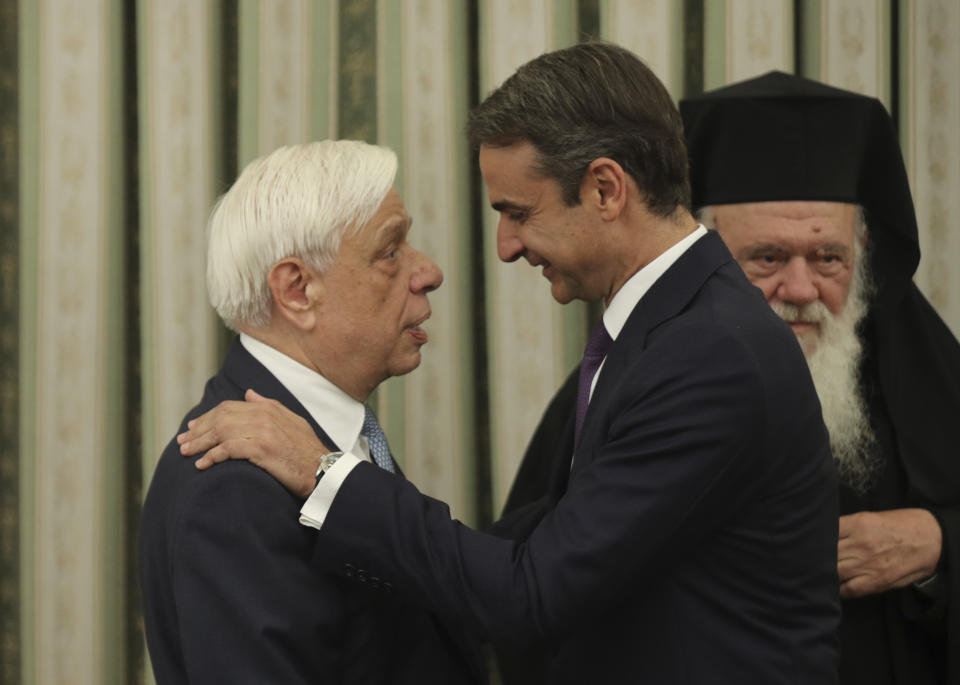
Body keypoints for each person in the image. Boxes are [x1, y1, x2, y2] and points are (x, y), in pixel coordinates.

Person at [177, 44, 840, 683]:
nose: (505, 246)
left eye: (518, 213)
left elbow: (533, 591)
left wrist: (326, 474)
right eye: (390, 251)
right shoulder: (665, 328)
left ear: (606, 189)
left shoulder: (709, 352)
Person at [138, 140, 485, 684]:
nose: (429, 271)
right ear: (297, 290)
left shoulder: (323, 438)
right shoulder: (233, 491)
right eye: (390, 251)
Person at [681, 71, 960, 685]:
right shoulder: (644, 373)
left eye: (828, 258)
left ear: (861, 251)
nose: (802, 290)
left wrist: (939, 542)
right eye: (768, 258)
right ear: (704, 254)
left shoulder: (921, 362)